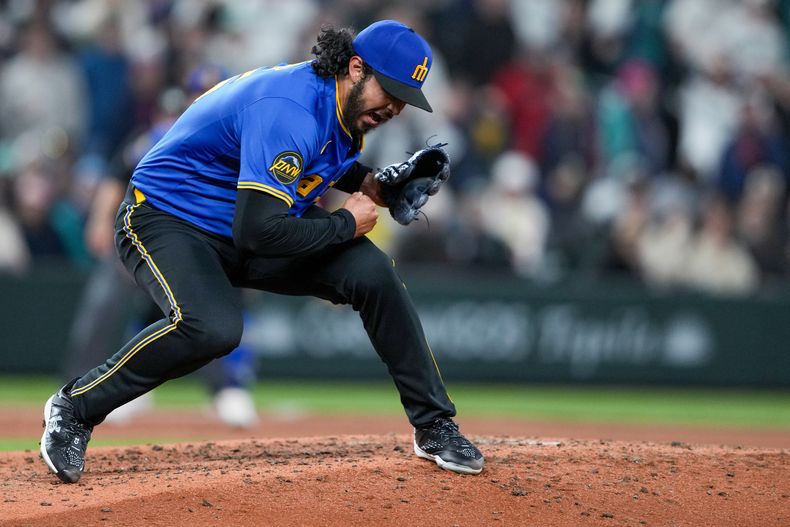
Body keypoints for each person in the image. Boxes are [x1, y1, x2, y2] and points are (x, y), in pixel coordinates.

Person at [40, 20, 484, 484]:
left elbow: (315, 166)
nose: (394, 106)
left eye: (404, 99)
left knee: (373, 273)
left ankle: (433, 425)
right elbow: (258, 232)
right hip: (166, 218)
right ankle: (74, 408)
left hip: (241, 220)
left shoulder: (340, 108)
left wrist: (371, 183)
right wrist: (345, 223)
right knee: (212, 328)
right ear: (355, 68)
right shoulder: (288, 107)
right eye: (389, 90)